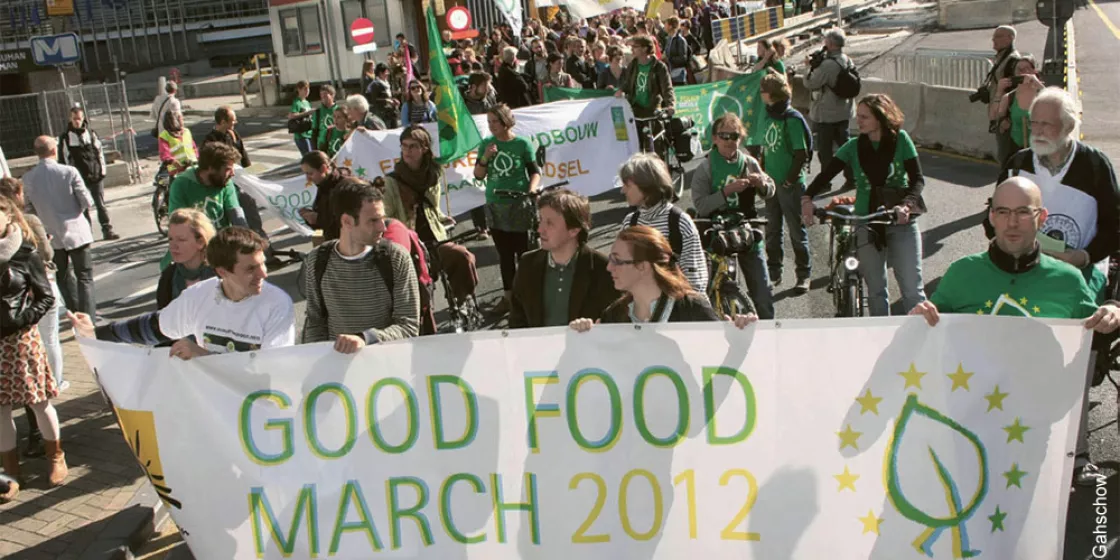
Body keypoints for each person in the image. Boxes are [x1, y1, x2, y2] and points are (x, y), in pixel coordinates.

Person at [909, 176, 1118, 485]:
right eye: (1003, 212)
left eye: (1023, 212)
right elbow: (929, 332)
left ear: (1041, 217)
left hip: (1034, 432)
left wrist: (1113, 310)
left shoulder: (1068, 280)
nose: (1012, 223)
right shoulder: (961, 273)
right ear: (991, 217)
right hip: (969, 427)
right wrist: (919, 317)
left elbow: (1095, 330)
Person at [70, 227, 295, 356]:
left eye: (263, 264)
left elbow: (271, 372)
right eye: (251, 269)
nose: (263, 274)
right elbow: (152, 328)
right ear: (222, 271)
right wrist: (97, 333)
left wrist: (203, 357)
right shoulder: (199, 296)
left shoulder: (277, 304)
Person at [802, 93, 928, 316]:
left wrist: (906, 206)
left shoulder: (901, 140)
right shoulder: (853, 146)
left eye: (864, 117)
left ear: (880, 118)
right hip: (866, 222)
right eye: (858, 116)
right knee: (877, 292)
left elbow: (917, 179)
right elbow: (825, 175)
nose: (858, 121)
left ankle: (919, 344)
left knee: (913, 292)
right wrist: (807, 199)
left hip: (899, 219)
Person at [990, 87, 1120, 286]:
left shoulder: (1095, 165)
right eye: (1034, 123)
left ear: (1068, 126)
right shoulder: (1018, 164)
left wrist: (1084, 257)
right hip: (1025, 273)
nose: (1038, 131)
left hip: (1080, 276)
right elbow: (993, 217)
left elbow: (1114, 225)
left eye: (1046, 124)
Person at [0, 197, 67, 502]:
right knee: (1, 410)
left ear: (7, 216)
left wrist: (23, 319)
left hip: (22, 339)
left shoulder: (25, 253)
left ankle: (56, 457)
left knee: (38, 402)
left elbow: (45, 297)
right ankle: (11, 472)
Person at [301, 182, 420, 351]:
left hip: (387, 365)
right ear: (347, 221)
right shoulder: (317, 260)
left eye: (382, 219)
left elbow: (408, 326)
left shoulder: (395, 258)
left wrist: (365, 339)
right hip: (337, 367)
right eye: (373, 220)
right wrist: (318, 359)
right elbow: (314, 322)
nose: (382, 227)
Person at [569, 225, 758, 329]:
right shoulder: (613, 315)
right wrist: (584, 338)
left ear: (643, 266)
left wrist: (740, 334)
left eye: (617, 261)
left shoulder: (692, 309)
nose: (609, 267)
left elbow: (718, 363)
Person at [380, 126, 479, 306]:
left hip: (435, 238)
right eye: (404, 146)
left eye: (413, 146)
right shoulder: (392, 181)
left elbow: (431, 206)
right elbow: (388, 217)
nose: (407, 151)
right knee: (418, 285)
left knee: (463, 256)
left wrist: (441, 217)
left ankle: (463, 301)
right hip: (410, 244)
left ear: (424, 148)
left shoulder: (433, 174)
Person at [691, 113, 777, 319]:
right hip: (717, 233)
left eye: (735, 136)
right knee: (715, 290)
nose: (730, 141)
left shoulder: (749, 162)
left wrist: (762, 185)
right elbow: (701, 206)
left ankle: (768, 336)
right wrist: (727, 191)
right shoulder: (706, 167)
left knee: (763, 294)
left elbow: (771, 189)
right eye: (724, 136)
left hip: (747, 230)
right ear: (714, 139)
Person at [510, 189, 619, 328]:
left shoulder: (603, 268)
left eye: (549, 223)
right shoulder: (528, 263)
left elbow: (614, 322)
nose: (540, 229)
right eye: (541, 220)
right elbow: (517, 319)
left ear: (574, 230)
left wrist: (592, 329)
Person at [474, 104, 542, 314]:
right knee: (504, 255)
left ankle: (527, 295)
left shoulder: (522, 144)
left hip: (519, 204)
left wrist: (531, 190)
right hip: (496, 205)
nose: (491, 126)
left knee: (524, 253)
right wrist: (486, 157)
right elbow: (478, 175)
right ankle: (508, 298)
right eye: (489, 122)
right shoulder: (486, 144)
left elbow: (534, 172)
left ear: (505, 121)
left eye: (495, 121)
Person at [21, 136, 96, 318]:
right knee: (84, 276)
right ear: (55, 150)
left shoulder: (29, 178)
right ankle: (89, 317)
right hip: (76, 230)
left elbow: (28, 208)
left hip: (51, 234)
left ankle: (75, 313)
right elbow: (86, 201)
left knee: (62, 276)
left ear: (36, 153)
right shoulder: (69, 172)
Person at [619, 153, 711, 296]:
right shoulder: (630, 222)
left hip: (677, 310)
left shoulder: (679, 222)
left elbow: (696, 280)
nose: (622, 190)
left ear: (646, 186)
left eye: (627, 185)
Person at [756, 71, 813, 293]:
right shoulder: (771, 116)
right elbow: (767, 148)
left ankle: (803, 273)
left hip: (789, 185)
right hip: (772, 183)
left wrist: (789, 181)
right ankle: (774, 271)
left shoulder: (791, 119)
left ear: (772, 94)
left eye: (763, 91)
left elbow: (800, 153)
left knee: (796, 231)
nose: (760, 95)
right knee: (772, 230)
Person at [804, 28, 855, 187]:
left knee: (825, 151)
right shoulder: (846, 59)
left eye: (826, 41)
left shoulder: (827, 65)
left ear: (831, 44)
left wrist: (808, 67)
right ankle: (852, 178)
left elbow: (810, 83)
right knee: (845, 147)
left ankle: (825, 182)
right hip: (844, 112)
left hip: (826, 114)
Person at [58, 106, 118, 240]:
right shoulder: (66, 138)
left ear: (83, 118)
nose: (77, 121)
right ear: (70, 119)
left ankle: (107, 229)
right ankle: (87, 234)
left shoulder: (90, 133)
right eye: (74, 119)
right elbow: (63, 159)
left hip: (95, 175)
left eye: (79, 118)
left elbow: (99, 152)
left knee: (100, 204)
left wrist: (102, 170)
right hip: (78, 178)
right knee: (83, 208)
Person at [167, 143, 246, 233]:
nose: (232, 174)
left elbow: (235, 214)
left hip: (222, 242)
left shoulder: (225, 182)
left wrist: (246, 238)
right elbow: (177, 223)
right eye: (227, 169)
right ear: (211, 168)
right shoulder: (181, 184)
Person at [157, 209, 216, 309]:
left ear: (200, 242)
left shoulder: (221, 273)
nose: (173, 246)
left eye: (181, 239)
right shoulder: (168, 277)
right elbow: (162, 317)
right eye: (170, 239)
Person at [991, 55, 1043, 155]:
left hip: (1041, 150)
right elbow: (994, 116)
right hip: (1018, 150)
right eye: (1019, 69)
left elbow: (1055, 101)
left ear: (1034, 71)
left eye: (1027, 69)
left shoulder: (1041, 93)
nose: (1023, 72)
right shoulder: (1009, 97)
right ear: (1014, 74)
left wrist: (1036, 82)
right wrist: (999, 91)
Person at [299, 151, 356, 241]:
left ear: (323, 168)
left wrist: (318, 219)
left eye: (310, 173)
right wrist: (310, 217)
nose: (308, 179)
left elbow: (347, 221)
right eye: (305, 174)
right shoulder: (324, 184)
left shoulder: (343, 187)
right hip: (336, 242)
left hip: (349, 243)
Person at [985, 25, 1021, 167]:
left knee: (1007, 157)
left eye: (999, 36)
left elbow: (1013, 91)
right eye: (994, 36)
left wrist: (1007, 117)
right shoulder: (1002, 58)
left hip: (1005, 117)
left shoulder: (1013, 61)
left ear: (1010, 38)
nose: (994, 39)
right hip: (998, 113)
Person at [158, 110, 198, 179]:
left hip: (192, 167)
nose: (183, 120)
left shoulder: (186, 131)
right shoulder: (164, 136)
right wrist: (173, 161)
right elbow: (164, 154)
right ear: (175, 121)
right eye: (181, 118)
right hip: (176, 171)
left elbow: (194, 148)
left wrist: (197, 158)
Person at [366, 63, 400, 128]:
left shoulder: (387, 83)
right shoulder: (375, 84)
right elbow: (373, 100)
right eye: (386, 72)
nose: (388, 74)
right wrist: (386, 100)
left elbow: (388, 96)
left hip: (391, 112)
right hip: (382, 114)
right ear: (380, 73)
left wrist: (393, 100)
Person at [288, 80, 315, 156]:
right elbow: (292, 115)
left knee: (312, 156)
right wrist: (308, 112)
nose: (307, 91)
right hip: (301, 135)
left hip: (309, 133)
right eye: (305, 89)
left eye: (308, 89)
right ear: (299, 90)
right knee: (308, 157)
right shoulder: (297, 102)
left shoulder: (306, 102)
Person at [663, 17, 692, 86]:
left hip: (679, 74)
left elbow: (683, 58)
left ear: (670, 26)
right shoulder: (669, 39)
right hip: (670, 72)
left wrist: (669, 59)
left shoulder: (680, 40)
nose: (664, 26)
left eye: (665, 24)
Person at [312, 84, 338, 155]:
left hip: (336, 143)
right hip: (322, 145)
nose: (323, 98)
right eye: (321, 96)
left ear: (332, 95)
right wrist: (314, 149)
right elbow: (314, 132)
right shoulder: (318, 112)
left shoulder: (339, 110)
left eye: (325, 95)